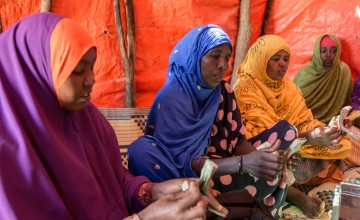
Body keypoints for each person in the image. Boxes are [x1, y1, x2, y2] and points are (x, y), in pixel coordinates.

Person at [0, 13, 208, 220]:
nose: (91, 80)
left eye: (91, 68)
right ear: (36, 71)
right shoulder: (8, 155)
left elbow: (115, 182)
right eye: (77, 71)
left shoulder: (87, 121)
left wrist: (153, 191)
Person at [128, 25, 298, 219]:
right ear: (194, 56)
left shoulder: (224, 91)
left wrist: (262, 160)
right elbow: (184, 162)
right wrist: (242, 164)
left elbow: (239, 141)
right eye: (215, 55)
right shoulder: (172, 97)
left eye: (226, 58)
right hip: (191, 177)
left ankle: (219, 204)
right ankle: (206, 201)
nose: (223, 65)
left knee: (286, 134)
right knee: (140, 152)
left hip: (229, 170)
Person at [232, 34, 352, 218]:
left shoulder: (287, 86)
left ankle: (288, 183)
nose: (283, 64)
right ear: (261, 59)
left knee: (341, 144)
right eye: (276, 59)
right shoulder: (245, 89)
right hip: (261, 154)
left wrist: (324, 132)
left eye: (286, 59)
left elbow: (304, 119)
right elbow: (261, 140)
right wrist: (310, 137)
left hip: (293, 145)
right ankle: (291, 192)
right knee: (269, 160)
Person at [293, 34, 352, 124]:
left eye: (333, 51)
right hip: (304, 122)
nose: (328, 55)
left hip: (335, 124)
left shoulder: (343, 71)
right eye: (323, 51)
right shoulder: (304, 73)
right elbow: (293, 104)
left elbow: (348, 102)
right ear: (317, 52)